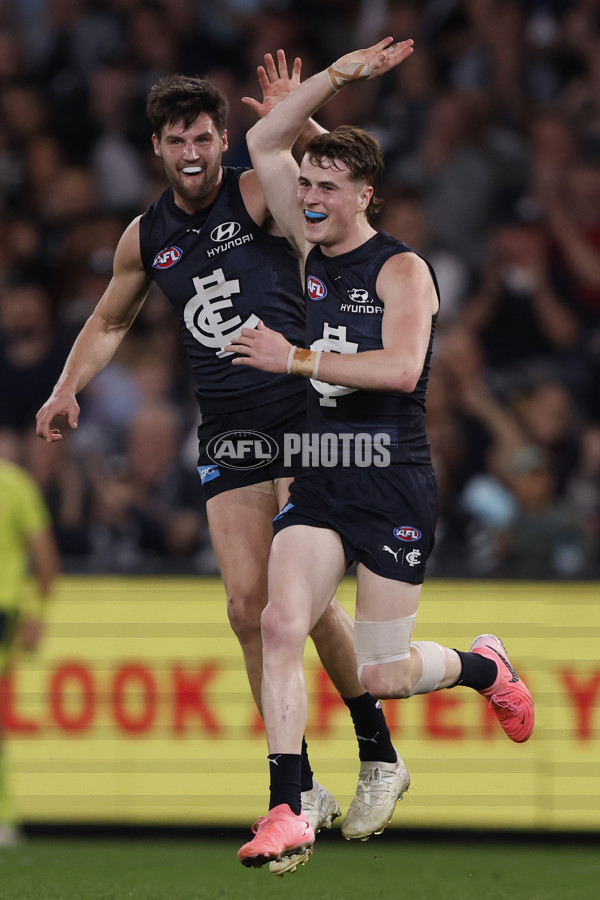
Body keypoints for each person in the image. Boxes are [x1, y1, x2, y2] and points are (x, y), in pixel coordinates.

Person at [35, 54, 406, 874]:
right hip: (228, 428)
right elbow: (107, 321)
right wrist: (66, 388)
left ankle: (374, 751)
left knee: (295, 604)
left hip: (301, 412)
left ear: (224, 137)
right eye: (177, 139)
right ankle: (308, 784)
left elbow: (343, 187)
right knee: (249, 609)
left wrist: (314, 107)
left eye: (204, 135)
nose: (192, 150)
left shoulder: (259, 193)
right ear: (158, 149)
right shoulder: (147, 236)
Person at [227, 37, 535, 869]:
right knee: (279, 621)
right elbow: (263, 144)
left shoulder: (403, 272)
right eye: (308, 186)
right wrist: (328, 84)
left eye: (329, 187)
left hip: (390, 477)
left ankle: (481, 665)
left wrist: (290, 357)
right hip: (323, 471)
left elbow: (401, 372)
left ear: (366, 196)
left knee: (387, 672)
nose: (311, 197)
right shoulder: (313, 243)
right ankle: (287, 806)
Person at [0, 432, 60, 846]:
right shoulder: (16, 483)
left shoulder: (14, 485)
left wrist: (36, 615)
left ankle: (4, 815)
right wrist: (36, 613)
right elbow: (46, 561)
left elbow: (44, 562)